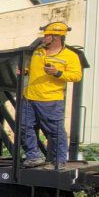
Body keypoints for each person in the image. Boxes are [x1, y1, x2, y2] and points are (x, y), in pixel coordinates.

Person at [21, 22, 84, 169]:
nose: (44, 38)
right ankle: (33, 156)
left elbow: (76, 76)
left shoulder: (70, 56)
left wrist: (57, 72)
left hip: (51, 101)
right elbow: (30, 68)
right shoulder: (38, 52)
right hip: (29, 98)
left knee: (55, 132)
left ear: (56, 37)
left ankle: (59, 160)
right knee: (24, 127)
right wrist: (24, 71)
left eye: (47, 35)